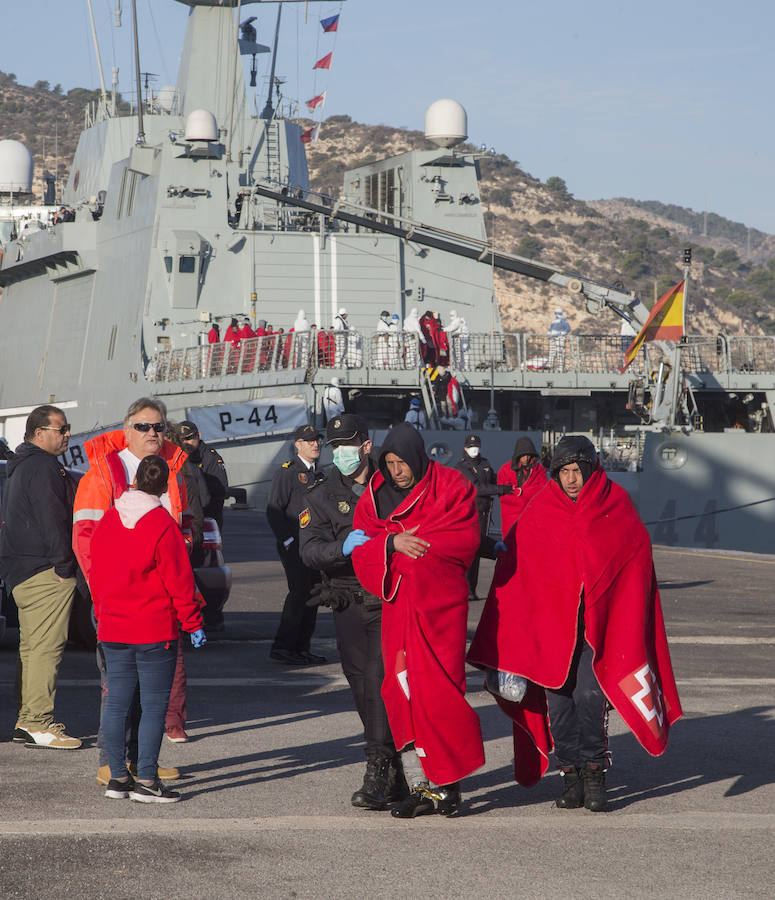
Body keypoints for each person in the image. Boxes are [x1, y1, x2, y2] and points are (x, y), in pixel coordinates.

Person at [467, 435, 683, 812]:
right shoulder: (542, 509)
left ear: (589, 469)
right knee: (559, 704)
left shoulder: (615, 504)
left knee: (589, 697)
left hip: (600, 631)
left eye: (576, 471)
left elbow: (636, 559)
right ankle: (571, 775)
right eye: (563, 471)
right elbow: (517, 572)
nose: (570, 479)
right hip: (553, 631)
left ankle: (596, 774)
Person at [351, 423, 484, 818]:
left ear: (419, 458)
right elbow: (364, 540)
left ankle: (449, 784)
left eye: (402, 463)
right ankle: (421, 786)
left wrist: (413, 539)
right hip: (398, 610)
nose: (397, 471)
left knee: (438, 693)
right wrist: (393, 542)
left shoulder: (451, 486)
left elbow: (463, 538)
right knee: (400, 691)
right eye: (390, 463)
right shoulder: (374, 496)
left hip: (439, 608)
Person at [73, 398, 191, 783]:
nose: (153, 433)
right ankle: (112, 762)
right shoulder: (103, 473)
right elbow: (84, 537)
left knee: (151, 692)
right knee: (117, 688)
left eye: (158, 427)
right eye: (143, 427)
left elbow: (182, 525)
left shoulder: (174, 469)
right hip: (118, 602)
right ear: (127, 430)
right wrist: (103, 593)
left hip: (157, 603)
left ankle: (143, 764)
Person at [299, 414, 407, 809]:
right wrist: (341, 548)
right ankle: (393, 768)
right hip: (346, 600)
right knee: (362, 686)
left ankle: (377, 768)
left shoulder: (393, 483)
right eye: (335, 446)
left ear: (365, 444)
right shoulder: (320, 494)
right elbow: (308, 550)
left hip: (388, 598)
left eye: (348, 444)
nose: (341, 452)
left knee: (381, 681)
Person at [89, 455, 206, 803]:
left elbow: (96, 574)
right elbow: (180, 583)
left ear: (134, 480)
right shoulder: (162, 525)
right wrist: (194, 623)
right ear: (164, 486)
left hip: (113, 627)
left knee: (116, 705)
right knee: (154, 708)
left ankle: (118, 778)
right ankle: (148, 780)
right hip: (154, 629)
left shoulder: (109, 520)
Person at [0, 405, 81, 749]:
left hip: (20, 569)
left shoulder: (22, 465)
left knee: (31, 648)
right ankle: (38, 722)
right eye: (60, 429)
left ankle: (27, 719)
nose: (66, 435)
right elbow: (52, 520)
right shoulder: (44, 466)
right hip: (44, 569)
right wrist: (65, 567)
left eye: (67, 428)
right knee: (46, 648)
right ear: (38, 432)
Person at [265, 424, 327, 665]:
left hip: (314, 545)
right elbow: (274, 509)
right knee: (299, 593)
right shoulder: (288, 472)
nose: (315, 444)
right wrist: (287, 540)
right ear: (297, 444)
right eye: (310, 440)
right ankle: (283, 646)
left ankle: (302, 647)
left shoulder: (319, 474)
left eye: (317, 440)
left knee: (313, 594)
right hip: (296, 544)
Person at [454, 434, 513, 602]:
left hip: (484, 514)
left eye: (477, 446)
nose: (475, 449)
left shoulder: (485, 464)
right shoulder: (461, 467)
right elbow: (477, 488)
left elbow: (494, 479)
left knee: (479, 553)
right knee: (470, 552)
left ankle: (472, 589)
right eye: (471, 446)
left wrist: (508, 485)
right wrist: (501, 489)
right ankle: (466, 589)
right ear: (465, 448)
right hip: (468, 514)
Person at [179, 421, 228, 533]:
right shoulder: (178, 457)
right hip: (185, 517)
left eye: (189, 438)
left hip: (208, 516)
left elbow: (220, 491)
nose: (186, 443)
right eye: (182, 439)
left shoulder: (211, 457)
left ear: (199, 436)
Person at [497, 436, 548, 536]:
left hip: (532, 518)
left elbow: (542, 490)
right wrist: (527, 496)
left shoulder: (539, 469)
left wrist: (520, 493)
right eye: (523, 455)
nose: (526, 458)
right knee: (510, 547)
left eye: (528, 455)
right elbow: (503, 496)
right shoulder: (505, 470)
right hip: (511, 519)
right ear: (518, 454)